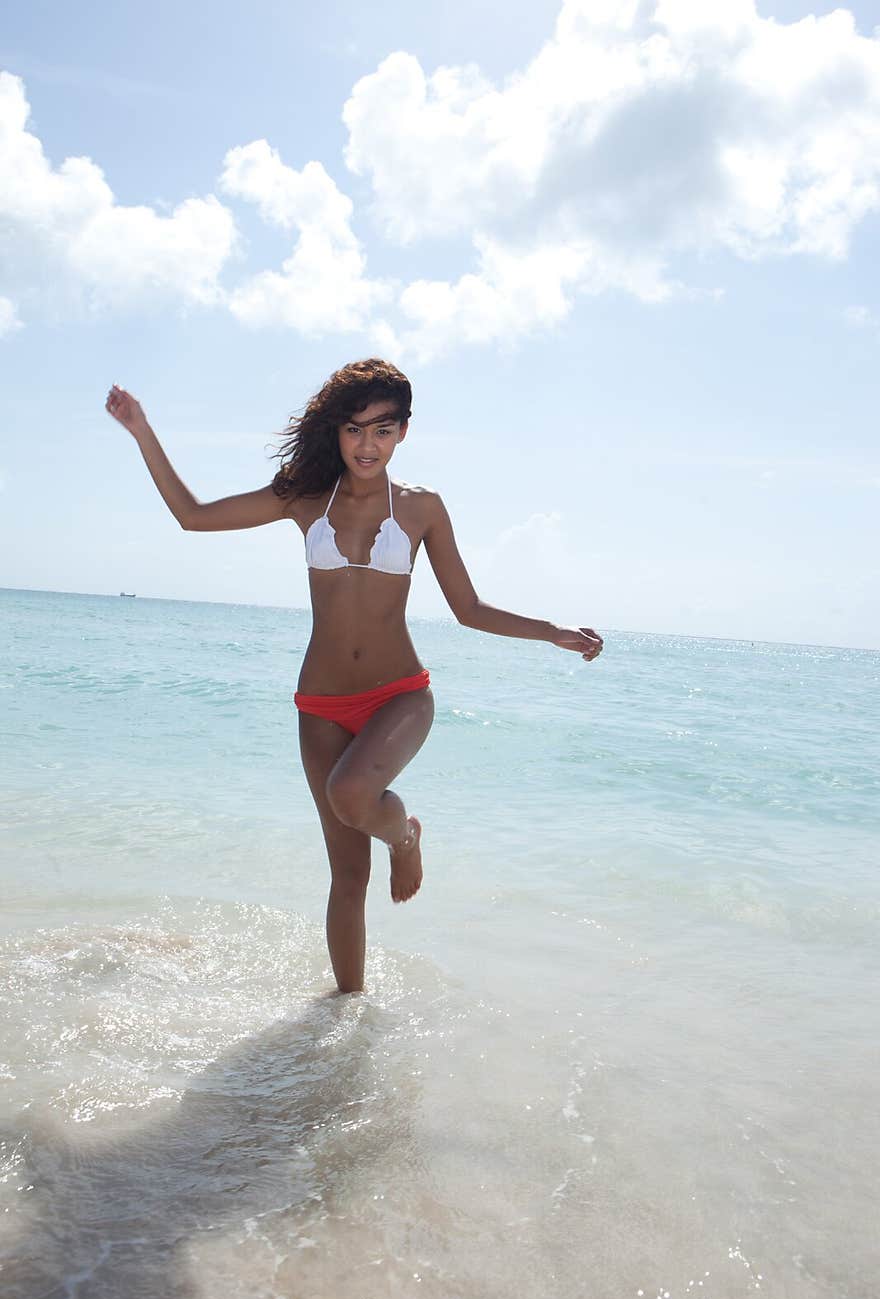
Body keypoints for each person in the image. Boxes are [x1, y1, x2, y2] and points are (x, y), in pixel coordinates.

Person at [105, 359, 603, 994]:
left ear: (402, 433)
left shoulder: (421, 509)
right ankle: (346, 1019)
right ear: (335, 433)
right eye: (355, 430)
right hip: (320, 705)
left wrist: (551, 631)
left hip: (399, 696)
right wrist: (142, 430)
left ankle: (405, 835)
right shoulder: (305, 498)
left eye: (383, 430)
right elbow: (193, 516)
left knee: (353, 797)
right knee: (346, 874)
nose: (368, 445)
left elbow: (468, 609)